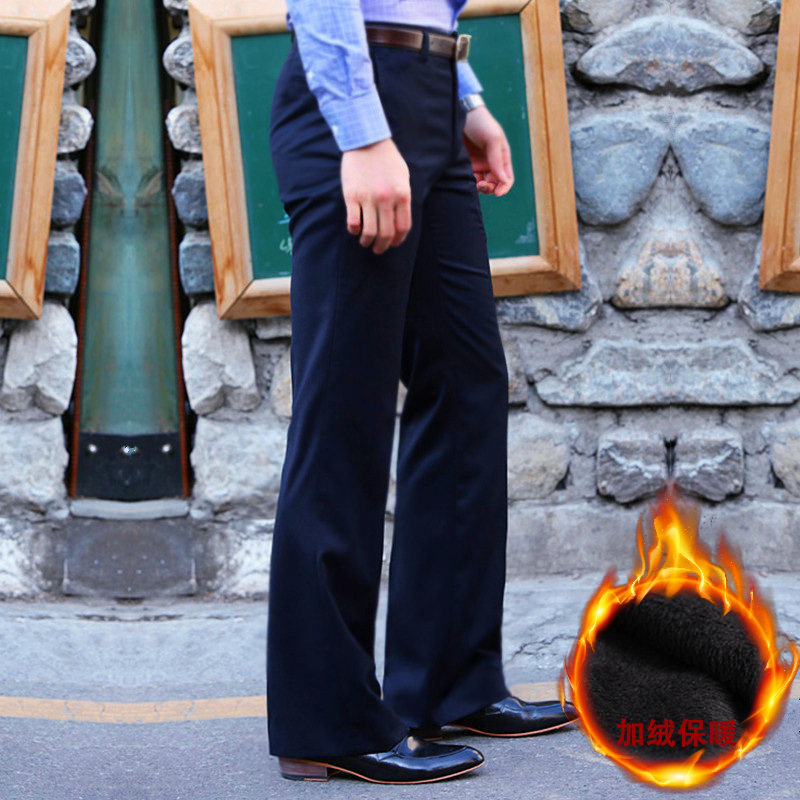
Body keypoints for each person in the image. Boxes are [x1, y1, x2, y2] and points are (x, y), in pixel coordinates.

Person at [266, 0, 577, 785]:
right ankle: (326, 721)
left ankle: (449, 680)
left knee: (467, 381)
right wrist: (362, 132)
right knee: (346, 404)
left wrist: (463, 97)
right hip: (358, 94)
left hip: (429, 87)